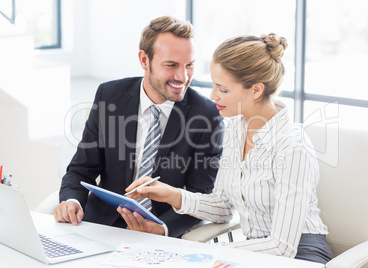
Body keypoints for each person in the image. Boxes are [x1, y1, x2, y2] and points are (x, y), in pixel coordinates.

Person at [121, 33, 333, 263]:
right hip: (253, 253)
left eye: (223, 89)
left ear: (255, 90)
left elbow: (282, 247)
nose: (213, 96)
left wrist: (210, 256)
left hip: (299, 256)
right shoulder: (235, 130)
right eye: (213, 85)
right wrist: (171, 194)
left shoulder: (292, 147)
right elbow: (222, 208)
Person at [53, 16, 223, 238]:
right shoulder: (109, 96)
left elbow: (200, 194)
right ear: (144, 60)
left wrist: (163, 228)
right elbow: (81, 168)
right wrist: (71, 200)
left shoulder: (207, 115)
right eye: (171, 65)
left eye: (189, 65)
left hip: (159, 233)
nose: (182, 76)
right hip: (101, 226)